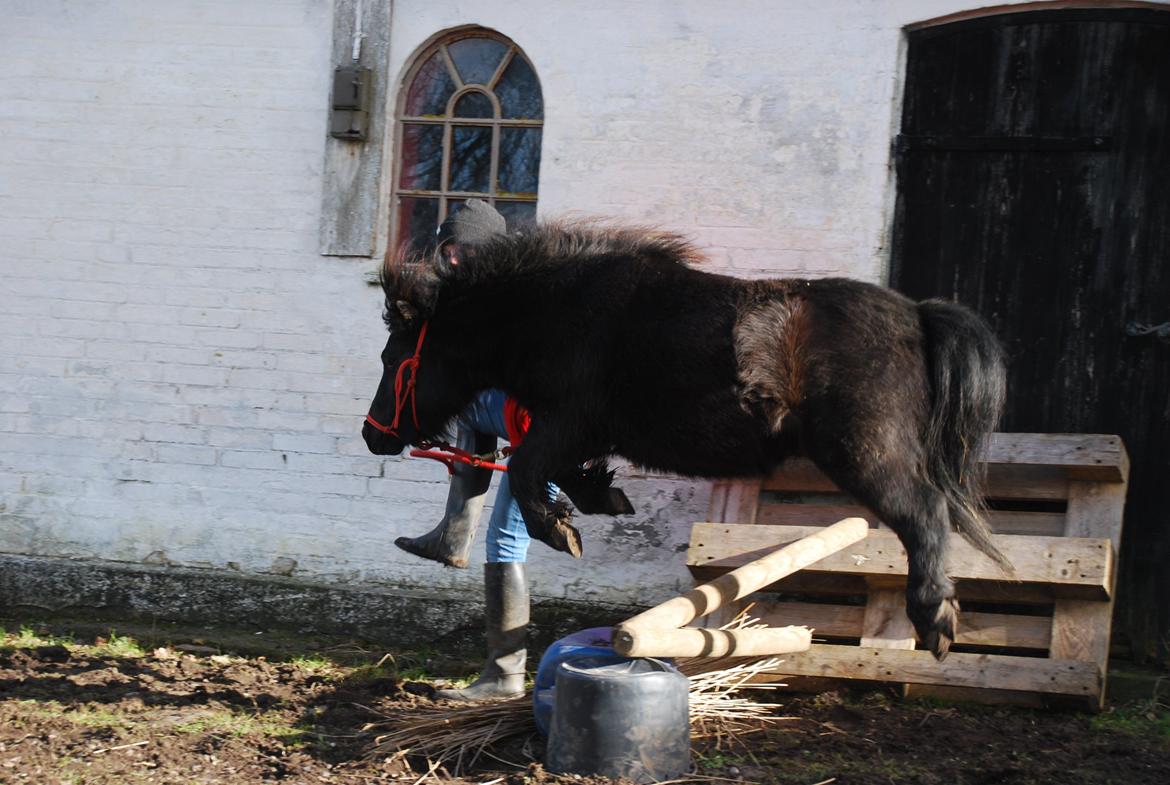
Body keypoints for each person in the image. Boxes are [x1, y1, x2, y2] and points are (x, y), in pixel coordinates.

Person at [394, 200, 556, 701]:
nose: (453, 261)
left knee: (507, 544)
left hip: (546, 436)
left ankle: (504, 677)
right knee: (467, 402)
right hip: (541, 429)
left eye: (462, 251)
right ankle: (453, 534)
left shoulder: (506, 299)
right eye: (447, 250)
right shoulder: (519, 293)